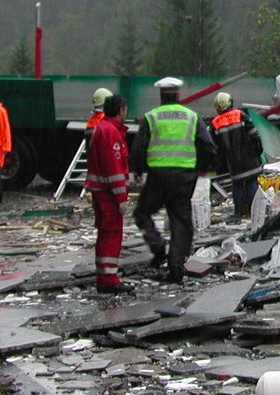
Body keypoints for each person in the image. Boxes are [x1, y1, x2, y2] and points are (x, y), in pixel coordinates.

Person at [130, 77, 216, 284]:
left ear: (161, 95)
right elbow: (207, 145)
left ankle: (157, 247)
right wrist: (204, 168)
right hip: (184, 177)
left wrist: (138, 170)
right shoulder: (192, 117)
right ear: (178, 95)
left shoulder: (151, 117)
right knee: (181, 221)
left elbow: (139, 147)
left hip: (158, 176)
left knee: (142, 212)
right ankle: (176, 267)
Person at [85, 93, 133, 294]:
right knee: (112, 234)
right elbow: (114, 169)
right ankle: (109, 278)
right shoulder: (111, 133)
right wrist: (121, 198)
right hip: (108, 195)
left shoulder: (103, 129)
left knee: (105, 234)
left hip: (102, 192)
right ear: (121, 109)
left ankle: (104, 275)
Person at [209, 91, 264, 219]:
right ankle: (255, 212)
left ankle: (239, 213)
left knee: (237, 186)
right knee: (251, 182)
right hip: (249, 158)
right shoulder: (240, 115)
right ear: (230, 103)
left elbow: (213, 147)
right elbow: (254, 135)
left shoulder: (215, 123)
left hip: (233, 163)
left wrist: (218, 165)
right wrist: (258, 151)